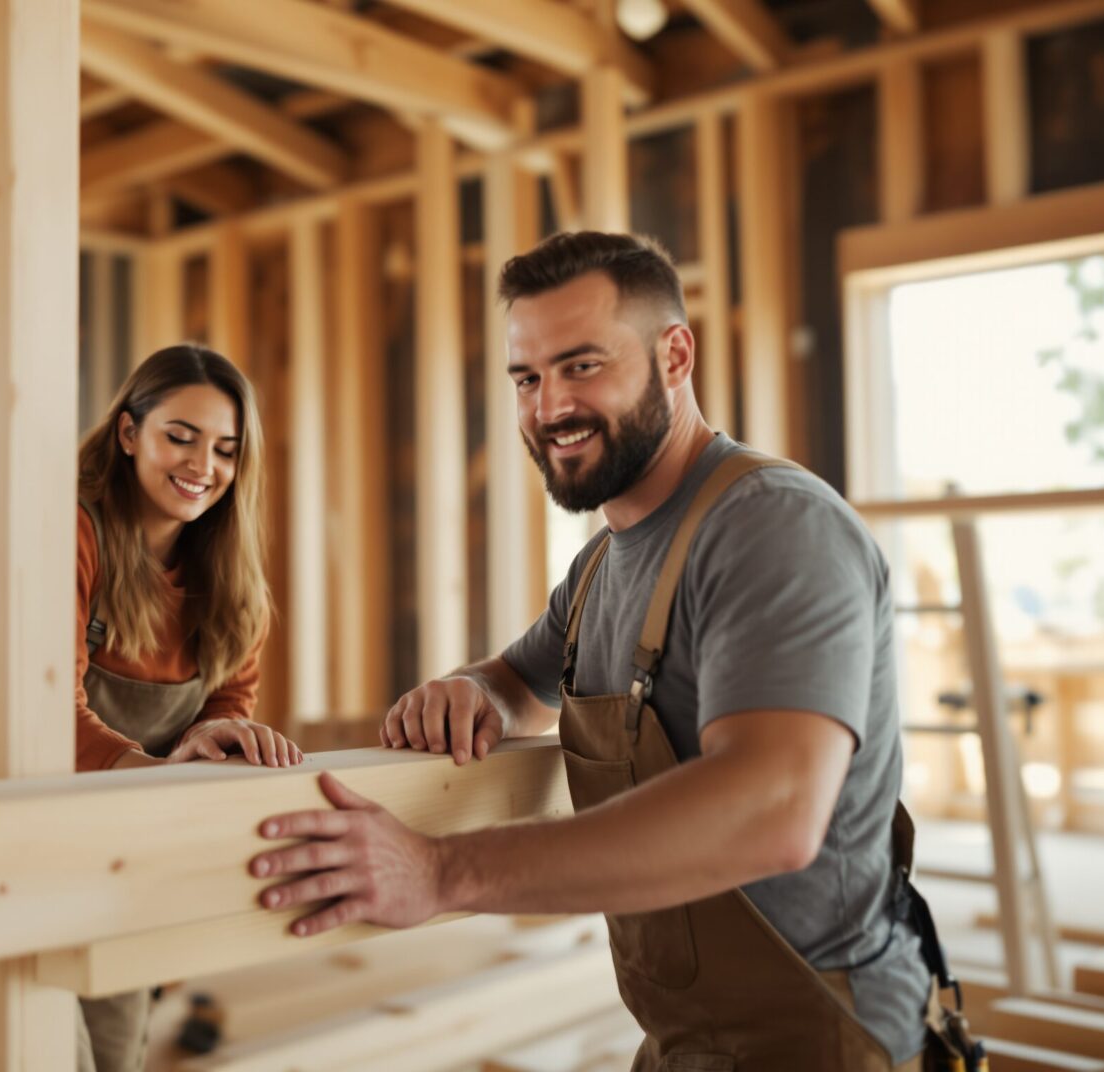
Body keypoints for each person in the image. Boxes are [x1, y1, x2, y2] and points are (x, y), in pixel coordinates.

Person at [246, 233, 945, 1070]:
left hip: (824, 1040)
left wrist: (438, 871)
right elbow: (519, 682)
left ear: (674, 355)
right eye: (527, 378)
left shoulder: (771, 527)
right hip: (685, 1042)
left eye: (581, 366)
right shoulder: (599, 571)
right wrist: (473, 692)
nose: (550, 408)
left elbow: (775, 810)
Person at [75, 343, 306, 1072]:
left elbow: (227, 695)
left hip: (117, 848)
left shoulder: (230, 578)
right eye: (181, 436)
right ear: (128, 432)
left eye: (226, 450)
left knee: (113, 1053)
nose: (203, 465)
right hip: (5, 835)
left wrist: (219, 732)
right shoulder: (71, 535)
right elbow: (43, 710)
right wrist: (159, 775)